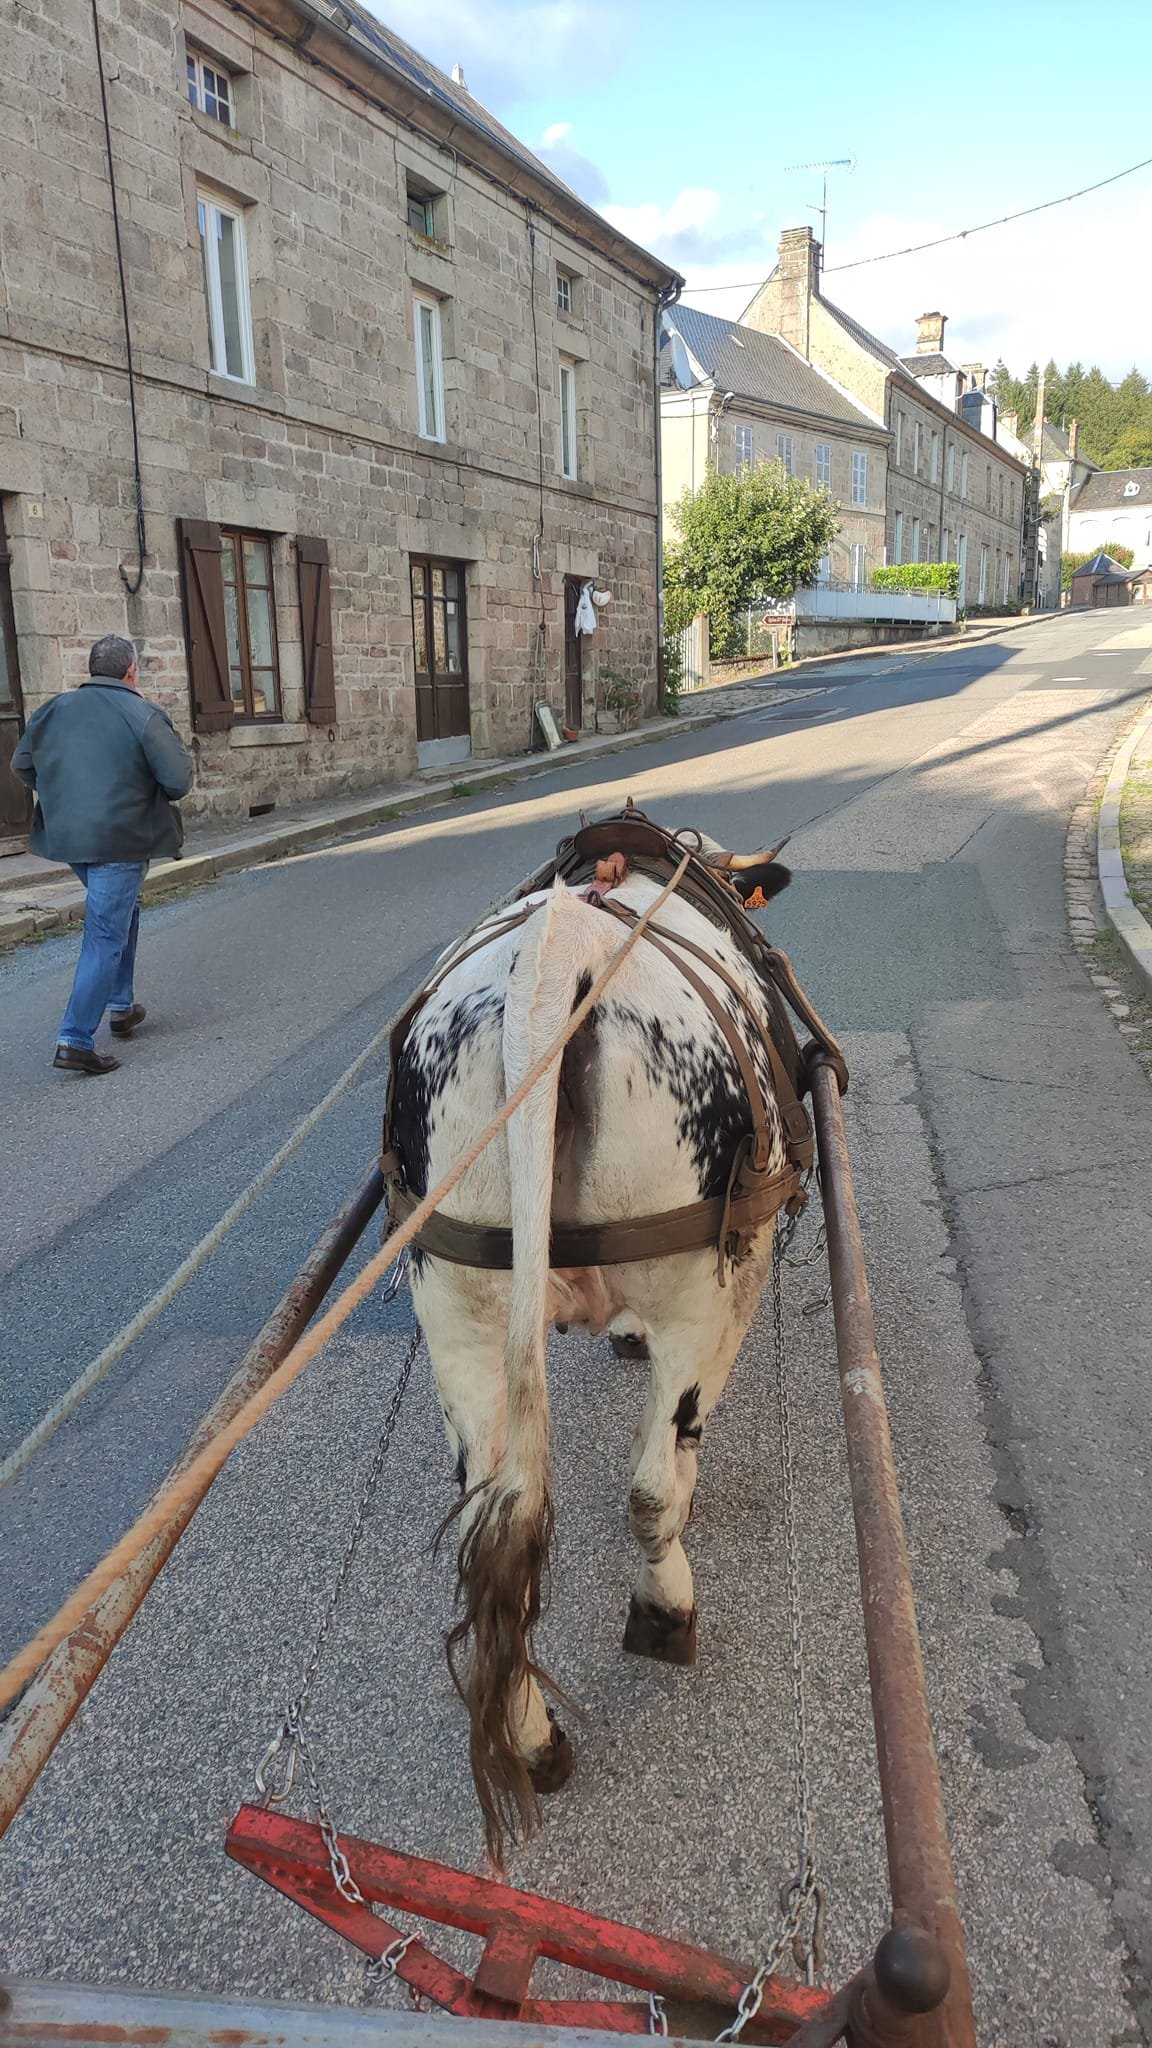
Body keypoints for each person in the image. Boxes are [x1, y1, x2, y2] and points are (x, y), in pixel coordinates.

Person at [12, 634, 194, 1076]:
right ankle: (74, 1038)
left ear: (92, 669)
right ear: (131, 672)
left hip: (70, 837)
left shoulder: (53, 709)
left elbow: (22, 765)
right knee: (105, 934)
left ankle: (121, 1004)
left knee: (122, 911)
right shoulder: (143, 714)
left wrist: (63, 794)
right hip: (122, 838)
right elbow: (177, 781)